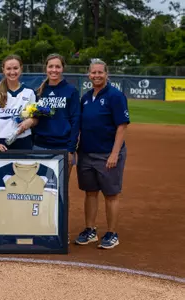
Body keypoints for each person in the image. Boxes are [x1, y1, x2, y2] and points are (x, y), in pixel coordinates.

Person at [74, 59, 130, 249]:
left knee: (111, 194)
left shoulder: (115, 96)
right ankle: (90, 230)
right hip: (87, 153)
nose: (96, 75)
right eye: (93, 73)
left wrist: (114, 154)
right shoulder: (86, 97)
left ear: (106, 74)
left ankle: (112, 233)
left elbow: (122, 126)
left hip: (107, 153)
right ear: (88, 75)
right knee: (90, 193)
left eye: (100, 72)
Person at [32, 53, 81, 175]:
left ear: (62, 68)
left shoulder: (71, 91)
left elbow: (76, 121)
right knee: (39, 188)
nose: (54, 70)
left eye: (58, 67)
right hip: (39, 146)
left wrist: (71, 149)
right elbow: (34, 119)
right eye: (51, 66)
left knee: (60, 190)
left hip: (63, 147)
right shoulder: (39, 91)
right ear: (46, 68)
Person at [0, 54, 37, 151]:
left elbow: (36, 118)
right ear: (3, 70)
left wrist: (31, 121)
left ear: (21, 69)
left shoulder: (30, 92)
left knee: (23, 166)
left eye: (15, 68)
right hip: (2, 141)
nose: (12, 72)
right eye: (8, 68)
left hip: (24, 140)